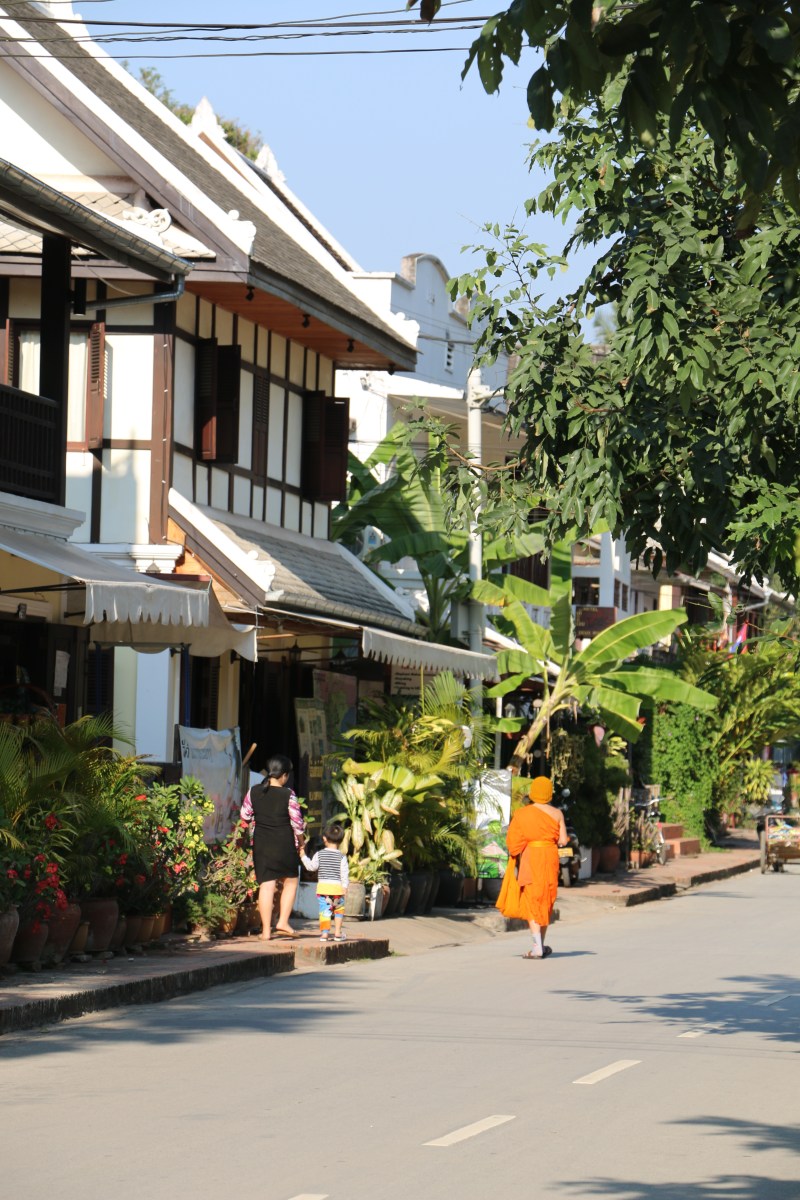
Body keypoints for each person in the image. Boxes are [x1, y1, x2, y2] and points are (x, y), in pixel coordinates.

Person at [505, 775, 568, 959]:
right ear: (549, 793)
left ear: (533, 792)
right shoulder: (557, 813)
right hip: (549, 858)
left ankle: (537, 946)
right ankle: (540, 944)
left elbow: (513, 844)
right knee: (545, 901)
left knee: (532, 900)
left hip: (531, 857)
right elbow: (563, 841)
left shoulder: (522, 813)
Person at [244, 754, 305, 941]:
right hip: (284, 843)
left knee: (266, 885)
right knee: (291, 881)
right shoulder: (288, 795)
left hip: (261, 843)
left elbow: (245, 815)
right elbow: (297, 824)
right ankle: (282, 922)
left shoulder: (253, 791)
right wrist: (302, 843)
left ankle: (266, 932)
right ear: (284, 775)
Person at [299, 821, 349, 942]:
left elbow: (311, 867)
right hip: (337, 889)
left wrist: (303, 856)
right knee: (338, 910)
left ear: (324, 838)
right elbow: (344, 873)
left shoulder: (319, 854)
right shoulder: (342, 857)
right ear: (341, 840)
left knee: (324, 911)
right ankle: (337, 933)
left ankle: (325, 934)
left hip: (323, 889)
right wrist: (345, 886)